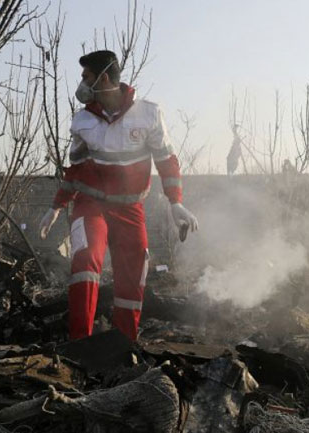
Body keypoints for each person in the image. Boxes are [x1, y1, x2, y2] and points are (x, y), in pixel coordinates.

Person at [39, 50, 198, 341]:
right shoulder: (82, 121)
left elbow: (166, 159)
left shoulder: (148, 114)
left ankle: (124, 345)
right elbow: (74, 170)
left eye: (87, 76)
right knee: (86, 261)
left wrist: (175, 202)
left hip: (129, 207)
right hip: (91, 205)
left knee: (134, 271)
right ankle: (80, 345)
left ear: (105, 77)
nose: (82, 83)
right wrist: (57, 206)